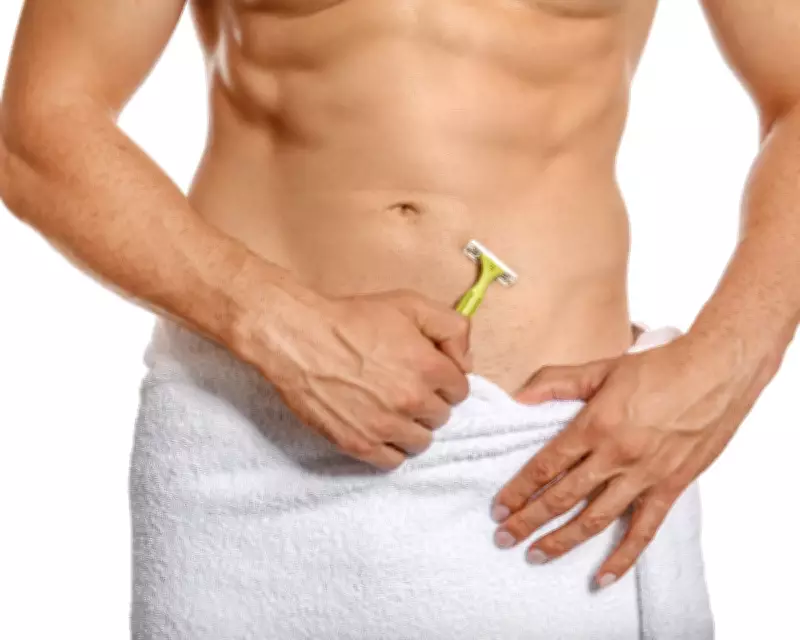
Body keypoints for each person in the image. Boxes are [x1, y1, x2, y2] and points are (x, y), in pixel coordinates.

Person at [1, 0, 797, 638]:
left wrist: (726, 363)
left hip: (566, 467)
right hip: (257, 453)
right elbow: (40, 126)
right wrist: (278, 326)